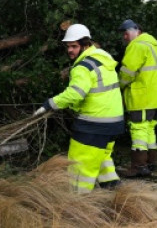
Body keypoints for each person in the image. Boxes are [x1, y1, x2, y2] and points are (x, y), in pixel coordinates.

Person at [32, 24, 124, 192]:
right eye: (68, 46)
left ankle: (78, 202)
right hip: (113, 123)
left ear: (85, 44)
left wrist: (49, 104)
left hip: (94, 124)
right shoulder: (103, 59)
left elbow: (75, 94)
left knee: (79, 167)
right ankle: (115, 192)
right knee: (102, 158)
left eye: (74, 46)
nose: (70, 50)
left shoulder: (83, 67)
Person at [117, 19, 157, 177]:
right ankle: (150, 164)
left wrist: (118, 86)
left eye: (126, 33)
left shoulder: (137, 46)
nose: (124, 37)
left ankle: (139, 166)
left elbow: (127, 72)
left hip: (143, 96)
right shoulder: (154, 46)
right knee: (149, 129)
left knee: (138, 128)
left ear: (136, 31)